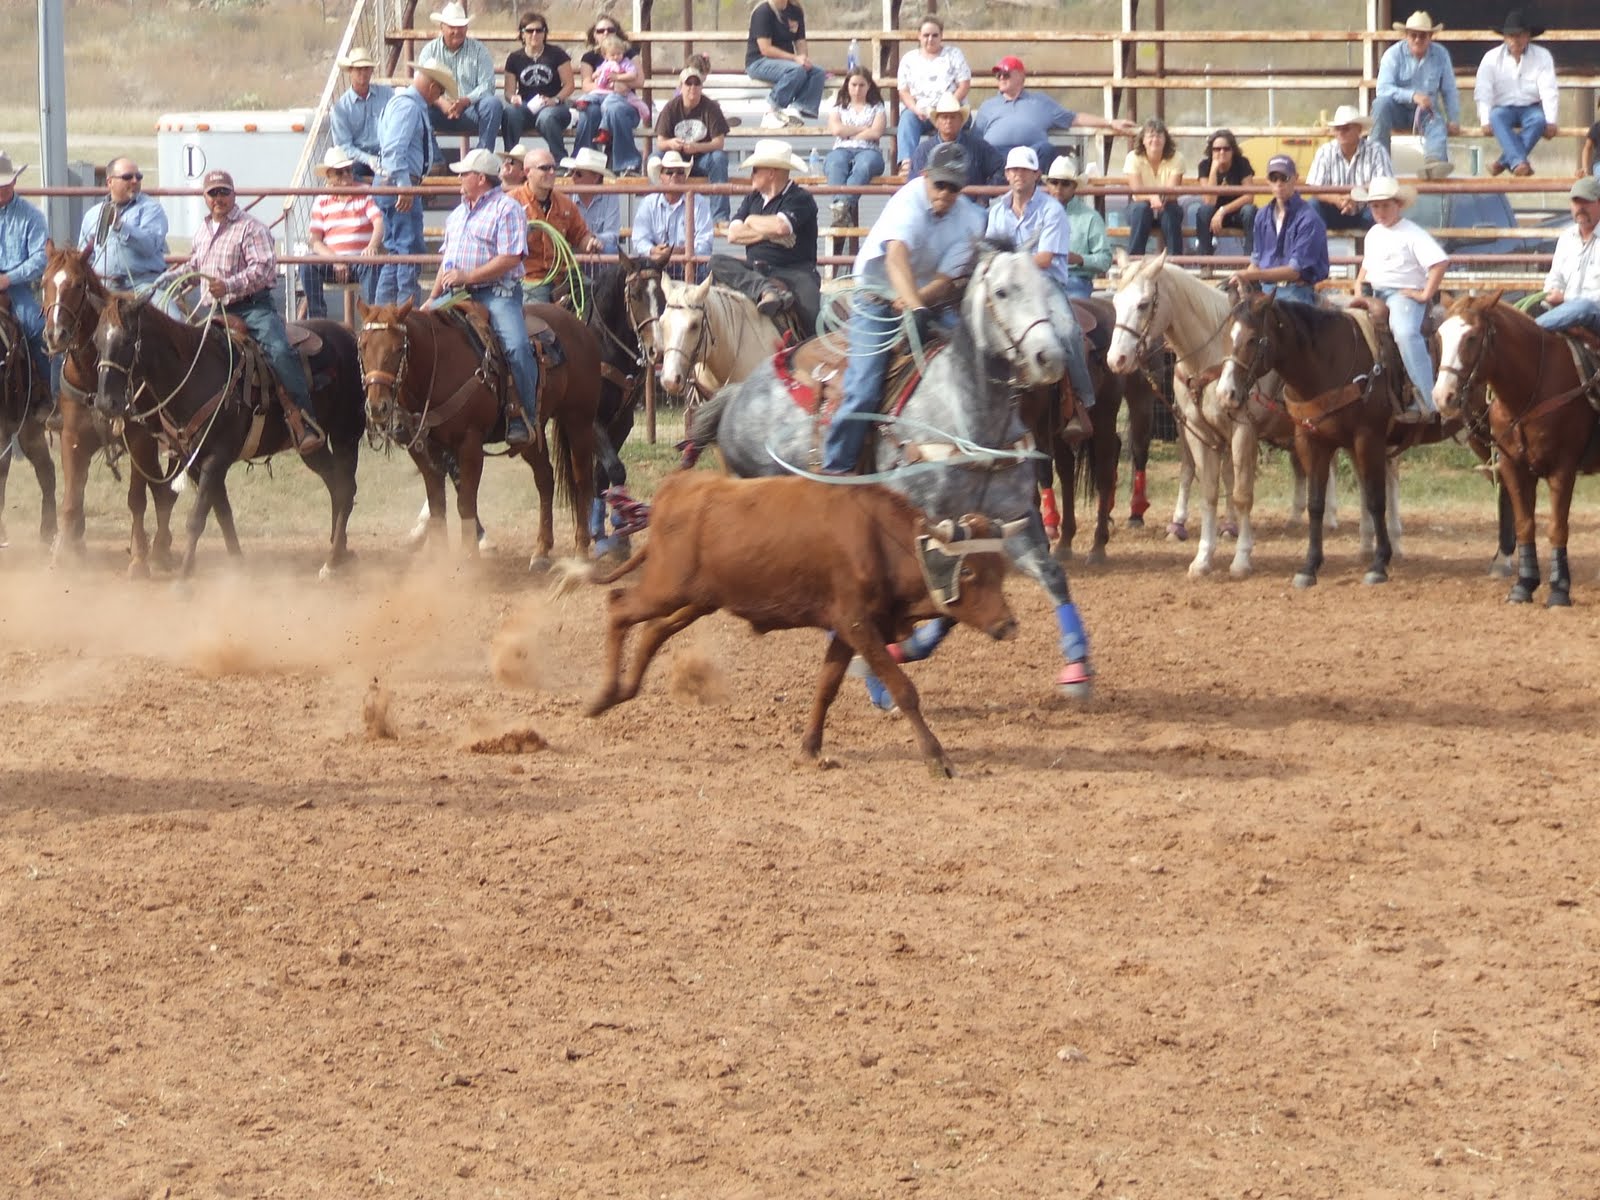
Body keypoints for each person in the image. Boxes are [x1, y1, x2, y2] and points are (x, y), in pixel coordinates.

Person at [821, 141, 986, 474]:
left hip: (928, 301)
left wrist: (917, 303)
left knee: (975, 364)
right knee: (863, 390)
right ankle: (836, 470)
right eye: (940, 183)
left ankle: (973, 451)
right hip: (877, 299)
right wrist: (913, 304)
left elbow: (946, 278)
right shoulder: (907, 200)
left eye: (954, 187)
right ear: (925, 177)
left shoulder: (971, 219)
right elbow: (896, 256)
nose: (946, 192)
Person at [185, 170, 322, 453]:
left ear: (234, 194)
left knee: (279, 351)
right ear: (205, 198)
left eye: (224, 192)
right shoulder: (202, 231)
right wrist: (181, 279)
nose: (219, 198)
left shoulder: (251, 228)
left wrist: (229, 284)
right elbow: (194, 265)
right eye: (213, 193)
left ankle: (304, 418)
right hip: (215, 312)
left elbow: (263, 269)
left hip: (251, 308)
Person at [428, 147, 542, 447]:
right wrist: (432, 298)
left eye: (464, 174)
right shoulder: (456, 214)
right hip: (456, 294)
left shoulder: (507, 209)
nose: (459, 178)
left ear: (480, 178)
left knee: (517, 347)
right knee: (420, 333)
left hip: (497, 294)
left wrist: (469, 276)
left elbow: (510, 257)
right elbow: (447, 262)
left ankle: (525, 415)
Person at [985, 147, 1098, 440]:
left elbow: (1046, 258)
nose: (1017, 175)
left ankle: (1081, 403)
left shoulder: (1051, 210)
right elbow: (990, 254)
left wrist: (1008, 266)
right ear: (1007, 174)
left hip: (1044, 285)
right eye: (1013, 170)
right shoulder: (996, 210)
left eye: (1024, 170)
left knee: (1068, 330)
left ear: (1036, 175)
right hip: (1010, 287)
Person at [1351, 176, 1447, 422]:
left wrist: (1425, 294)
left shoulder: (1412, 233)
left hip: (1402, 294)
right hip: (1374, 291)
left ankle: (1428, 400)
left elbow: (1439, 262)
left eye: (1385, 205)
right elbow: (1367, 265)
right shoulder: (1373, 233)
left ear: (1398, 205)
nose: (1380, 211)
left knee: (1405, 333)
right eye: (1375, 206)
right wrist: (1358, 284)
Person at [709, 138, 821, 332]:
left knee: (814, 321)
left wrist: (751, 222)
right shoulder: (752, 198)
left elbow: (780, 227)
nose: (751, 175)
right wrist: (768, 234)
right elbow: (733, 234)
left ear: (771, 173)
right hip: (756, 269)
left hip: (796, 272)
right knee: (715, 262)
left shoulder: (800, 198)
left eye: (755, 169)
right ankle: (764, 289)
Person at [375, 60, 453, 306]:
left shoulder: (402, 104)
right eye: (440, 91)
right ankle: (403, 314)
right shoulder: (409, 107)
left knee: (399, 250)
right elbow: (394, 150)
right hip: (401, 182)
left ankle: (385, 310)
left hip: (395, 181)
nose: (438, 97)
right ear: (432, 86)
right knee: (408, 250)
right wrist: (404, 186)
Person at [973, 55, 1134, 171]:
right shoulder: (988, 106)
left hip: (1031, 156)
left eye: (1006, 73)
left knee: (1047, 149)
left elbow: (1074, 118)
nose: (1001, 77)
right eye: (998, 75)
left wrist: (1110, 122)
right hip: (998, 156)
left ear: (1021, 77)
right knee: (977, 152)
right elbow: (975, 139)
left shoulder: (1040, 102)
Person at [1228, 154, 1329, 306]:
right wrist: (1244, 279)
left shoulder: (1309, 219)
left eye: (1284, 178)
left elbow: (1294, 272)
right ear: (1268, 181)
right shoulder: (1262, 216)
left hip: (1297, 292)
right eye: (1274, 178)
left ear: (1295, 178)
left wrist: (1249, 275)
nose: (1279, 183)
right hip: (1266, 289)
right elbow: (1256, 260)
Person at [1372, 10, 1460, 180]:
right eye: (1414, 35)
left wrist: (1454, 118)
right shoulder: (1393, 54)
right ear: (1406, 35)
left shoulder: (1441, 55)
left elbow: (1449, 89)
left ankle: (1435, 163)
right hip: (1395, 109)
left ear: (1430, 36)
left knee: (1437, 122)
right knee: (1380, 105)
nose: (1418, 39)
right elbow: (1382, 88)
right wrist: (1412, 96)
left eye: (1423, 35)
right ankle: (1378, 160)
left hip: (1426, 111)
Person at [299, 148, 383, 318]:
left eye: (348, 170)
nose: (346, 175)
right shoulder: (321, 200)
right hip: (332, 262)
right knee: (307, 264)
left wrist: (372, 246)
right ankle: (318, 319)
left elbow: (379, 222)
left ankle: (374, 317)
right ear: (329, 177)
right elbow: (315, 240)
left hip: (361, 259)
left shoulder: (364, 191)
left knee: (373, 263)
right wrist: (335, 259)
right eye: (339, 172)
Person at [1475, 9, 1558, 178]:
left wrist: (1551, 120)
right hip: (1503, 108)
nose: (1516, 40)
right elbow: (1483, 90)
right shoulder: (1491, 58)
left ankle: (1508, 161)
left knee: (1539, 120)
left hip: (1531, 107)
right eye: (1512, 35)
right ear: (1505, 37)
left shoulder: (1542, 56)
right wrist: (1484, 118)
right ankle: (1518, 162)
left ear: (1528, 36)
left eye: (1520, 35)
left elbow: (1549, 90)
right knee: (1495, 117)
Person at [418, 2, 509, 153]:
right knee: (417, 105)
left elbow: (487, 85)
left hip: (471, 111)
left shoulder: (479, 50)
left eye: (460, 26)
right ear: (442, 27)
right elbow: (421, 85)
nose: (456, 31)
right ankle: (434, 158)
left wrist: (465, 101)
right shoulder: (429, 51)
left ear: (466, 28)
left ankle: (483, 155)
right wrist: (441, 102)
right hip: (439, 111)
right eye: (451, 27)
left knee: (493, 104)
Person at [513, 146, 602, 302]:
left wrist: (589, 242)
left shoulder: (565, 204)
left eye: (554, 168)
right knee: (541, 316)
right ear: (528, 172)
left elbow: (580, 235)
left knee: (599, 297)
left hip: (563, 276)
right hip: (531, 279)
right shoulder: (511, 203)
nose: (552, 173)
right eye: (545, 168)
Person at [0, 153, 51, 396]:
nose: (1, 189)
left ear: (14, 182)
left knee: (37, 330)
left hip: (18, 286)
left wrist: (8, 278)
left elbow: (41, 258)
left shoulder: (32, 216)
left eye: (5, 184)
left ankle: (51, 395)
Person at [79, 156, 169, 291]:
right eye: (127, 177)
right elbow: (85, 258)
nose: (135, 181)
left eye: (138, 177)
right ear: (110, 182)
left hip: (144, 286)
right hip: (104, 288)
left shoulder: (151, 209)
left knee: (168, 311)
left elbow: (150, 245)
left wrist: (120, 226)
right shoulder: (93, 215)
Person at [654, 65, 731, 224]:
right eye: (688, 84)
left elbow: (719, 142)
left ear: (702, 87)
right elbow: (660, 143)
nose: (693, 88)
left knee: (719, 158)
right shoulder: (670, 108)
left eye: (697, 84)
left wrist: (698, 148)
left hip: (702, 160)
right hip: (676, 161)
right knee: (654, 159)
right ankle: (655, 210)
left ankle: (720, 216)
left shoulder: (711, 108)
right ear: (680, 87)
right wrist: (671, 143)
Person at [895, 16, 971, 173]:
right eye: (926, 35)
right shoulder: (909, 59)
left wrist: (948, 106)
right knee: (907, 118)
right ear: (919, 36)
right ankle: (907, 163)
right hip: (921, 111)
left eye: (935, 35)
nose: (930, 39)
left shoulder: (954, 54)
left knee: (958, 120)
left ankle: (952, 162)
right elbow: (903, 90)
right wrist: (915, 108)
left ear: (941, 36)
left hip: (950, 108)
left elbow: (964, 84)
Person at [1306, 105, 1393, 233]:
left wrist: (1355, 197)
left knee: (1379, 208)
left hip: (1366, 208)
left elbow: (1385, 184)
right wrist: (1337, 200)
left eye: (1346, 128)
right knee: (1312, 207)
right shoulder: (1325, 151)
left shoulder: (1376, 151)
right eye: (1337, 129)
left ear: (1359, 129)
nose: (1341, 132)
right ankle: (1314, 251)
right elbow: (1314, 188)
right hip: (1333, 209)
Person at [502, 10, 574, 162]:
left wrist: (556, 99)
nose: (534, 34)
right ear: (522, 34)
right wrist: (513, 98)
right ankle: (511, 159)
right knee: (510, 113)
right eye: (529, 30)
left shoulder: (557, 54)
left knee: (546, 117)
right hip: (526, 107)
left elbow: (569, 85)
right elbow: (508, 92)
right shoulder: (515, 58)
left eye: (539, 30)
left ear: (545, 33)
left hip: (554, 107)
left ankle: (559, 160)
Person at [572, 29, 645, 175]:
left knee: (613, 109)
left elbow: (639, 80)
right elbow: (587, 85)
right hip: (600, 97)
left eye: (610, 30)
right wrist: (606, 86)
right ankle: (584, 161)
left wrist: (619, 81)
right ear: (594, 35)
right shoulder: (590, 58)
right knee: (589, 111)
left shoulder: (628, 56)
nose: (606, 33)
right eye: (600, 31)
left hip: (623, 101)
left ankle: (628, 163)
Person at [745, 0, 827, 130]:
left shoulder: (795, 11)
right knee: (796, 71)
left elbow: (800, 41)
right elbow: (765, 49)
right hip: (759, 61)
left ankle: (798, 109)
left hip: (787, 63)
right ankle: (771, 111)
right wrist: (795, 58)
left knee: (818, 72)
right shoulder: (763, 11)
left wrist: (803, 58)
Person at [1534, 176, 1600, 337]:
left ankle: (1531, 331)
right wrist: (1550, 291)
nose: (1580, 207)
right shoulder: (1566, 238)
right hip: (1566, 310)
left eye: (1586, 202)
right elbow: (1555, 277)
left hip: (1593, 312)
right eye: (1576, 202)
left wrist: (1565, 298)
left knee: (1584, 306)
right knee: (1531, 306)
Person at [632, 151, 714, 277]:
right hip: (656, 266)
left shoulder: (699, 202)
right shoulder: (648, 203)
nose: (675, 176)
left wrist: (684, 252)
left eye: (680, 172)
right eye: (669, 172)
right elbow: (639, 239)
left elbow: (705, 243)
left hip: (689, 266)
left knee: (706, 272)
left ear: (684, 177)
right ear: (661, 177)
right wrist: (653, 251)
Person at [824, 68, 887, 227]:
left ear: (868, 86)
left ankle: (841, 206)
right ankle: (842, 210)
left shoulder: (877, 106)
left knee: (864, 165)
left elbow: (876, 132)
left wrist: (849, 132)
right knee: (835, 164)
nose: (857, 89)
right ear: (847, 86)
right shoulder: (838, 106)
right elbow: (837, 130)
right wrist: (863, 129)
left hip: (869, 150)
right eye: (853, 85)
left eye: (861, 85)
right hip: (841, 149)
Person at [1042, 155, 1111, 299]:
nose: (1059, 188)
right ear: (1048, 185)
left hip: (1075, 280)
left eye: (1065, 183)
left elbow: (1105, 260)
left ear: (1074, 186)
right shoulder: (1036, 214)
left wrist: (1079, 259)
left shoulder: (1090, 217)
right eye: (1054, 182)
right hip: (1040, 280)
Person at [909, 93, 1003, 189]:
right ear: (937, 122)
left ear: (961, 121)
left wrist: (984, 196)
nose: (948, 121)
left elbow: (1001, 169)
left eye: (953, 117)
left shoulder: (978, 147)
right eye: (944, 117)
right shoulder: (923, 151)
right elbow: (914, 183)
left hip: (971, 202)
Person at [1123, 117, 1186, 256]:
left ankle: (1176, 264)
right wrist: (1152, 197)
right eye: (1150, 136)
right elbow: (1137, 192)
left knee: (1171, 212)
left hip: (1167, 205)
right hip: (1140, 208)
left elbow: (1171, 192)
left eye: (1159, 135)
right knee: (1141, 209)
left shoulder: (1177, 158)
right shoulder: (1132, 157)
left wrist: (1159, 198)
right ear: (1143, 140)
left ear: (1165, 140)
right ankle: (1134, 262)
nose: (1155, 139)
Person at [329, 47, 393, 181]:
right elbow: (344, 146)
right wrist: (368, 159)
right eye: (358, 69)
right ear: (350, 71)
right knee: (349, 173)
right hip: (358, 160)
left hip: (386, 153)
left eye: (366, 68)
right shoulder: (341, 108)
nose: (363, 72)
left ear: (371, 71)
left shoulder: (387, 94)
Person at [1193, 129, 1256, 260]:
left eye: (1226, 149)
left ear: (1233, 150)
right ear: (1211, 151)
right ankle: (1206, 263)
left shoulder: (1242, 163)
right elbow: (1209, 201)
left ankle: (1249, 262)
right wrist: (1214, 169)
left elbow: (1249, 197)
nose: (1221, 152)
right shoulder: (1205, 165)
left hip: (1237, 213)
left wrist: (1222, 211)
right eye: (1217, 149)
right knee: (1204, 211)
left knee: (1250, 211)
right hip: (1214, 216)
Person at [562, 147, 621, 255]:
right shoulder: (566, 195)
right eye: (572, 173)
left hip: (599, 247)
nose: (573, 178)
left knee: (610, 250)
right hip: (574, 246)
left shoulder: (610, 196)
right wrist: (586, 240)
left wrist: (592, 239)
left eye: (578, 174)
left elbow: (612, 235)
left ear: (596, 178)